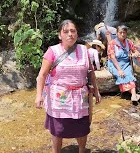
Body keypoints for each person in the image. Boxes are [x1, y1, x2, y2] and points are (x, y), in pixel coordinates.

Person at [35, 20, 101, 153]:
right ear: (60, 35)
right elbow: (41, 75)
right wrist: (39, 96)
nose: (70, 34)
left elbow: (91, 73)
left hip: (80, 98)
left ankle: (82, 150)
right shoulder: (52, 51)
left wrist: (96, 91)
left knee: (82, 128)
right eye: (66, 32)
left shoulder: (84, 50)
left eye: (73, 31)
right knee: (58, 130)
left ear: (77, 33)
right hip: (59, 98)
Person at [107, 25, 140, 102]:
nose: (122, 34)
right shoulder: (112, 43)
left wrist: (136, 53)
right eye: (120, 32)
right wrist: (119, 70)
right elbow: (112, 57)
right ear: (117, 33)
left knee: (129, 74)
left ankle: (133, 95)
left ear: (126, 33)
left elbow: (135, 50)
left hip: (126, 63)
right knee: (121, 76)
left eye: (124, 32)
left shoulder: (129, 42)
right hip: (114, 64)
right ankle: (134, 95)